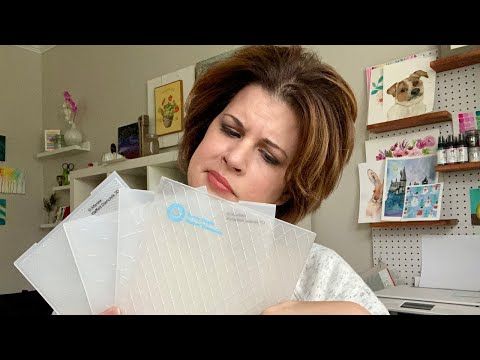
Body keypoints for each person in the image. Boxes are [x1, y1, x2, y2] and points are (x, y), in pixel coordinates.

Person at [103, 45, 389, 315]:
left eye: (269, 156)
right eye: (230, 130)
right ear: (204, 128)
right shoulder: (119, 247)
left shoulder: (320, 274)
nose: (235, 158)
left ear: (288, 191)